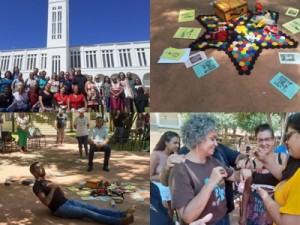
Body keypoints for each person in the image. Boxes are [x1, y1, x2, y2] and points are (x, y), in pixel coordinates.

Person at [170, 114, 251, 225]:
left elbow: (233, 175)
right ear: (198, 138)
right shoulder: (181, 169)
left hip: (223, 219)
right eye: (212, 139)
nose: (216, 144)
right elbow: (186, 217)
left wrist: (242, 173)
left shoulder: (212, 161)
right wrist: (211, 182)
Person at [29, 162, 135, 225]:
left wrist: (58, 188)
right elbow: (46, 203)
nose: (41, 167)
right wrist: (53, 189)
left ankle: (122, 213)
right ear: (34, 173)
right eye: (38, 167)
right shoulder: (37, 186)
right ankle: (119, 221)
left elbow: (60, 193)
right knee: (87, 213)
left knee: (93, 208)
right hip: (59, 209)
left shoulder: (47, 181)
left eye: (41, 165)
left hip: (67, 201)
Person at [240, 124, 287, 225]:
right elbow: (246, 192)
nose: (264, 143)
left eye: (267, 139)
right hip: (254, 215)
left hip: (275, 215)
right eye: (260, 140)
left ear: (273, 140)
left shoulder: (281, 158)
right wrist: (243, 216)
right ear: (256, 141)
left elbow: (286, 182)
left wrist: (266, 163)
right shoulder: (252, 163)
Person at [257, 113, 300, 225]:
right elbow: (285, 177)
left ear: (273, 140)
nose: (286, 141)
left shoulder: (284, 157)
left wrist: (265, 196)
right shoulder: (294, 162)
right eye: (260, 140)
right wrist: (264, 160)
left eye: (289, 135)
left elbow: (287, 221)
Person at [150, 131, 180, 217]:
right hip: (160, 190)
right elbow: (150, 177)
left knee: (171, 216)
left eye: (178, 143)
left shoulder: (175, 156)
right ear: (166, 142)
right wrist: (165, 175)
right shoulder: (156, 155)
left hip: (171, 190)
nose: (177, 145)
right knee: (164, 215)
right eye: (175, 143)